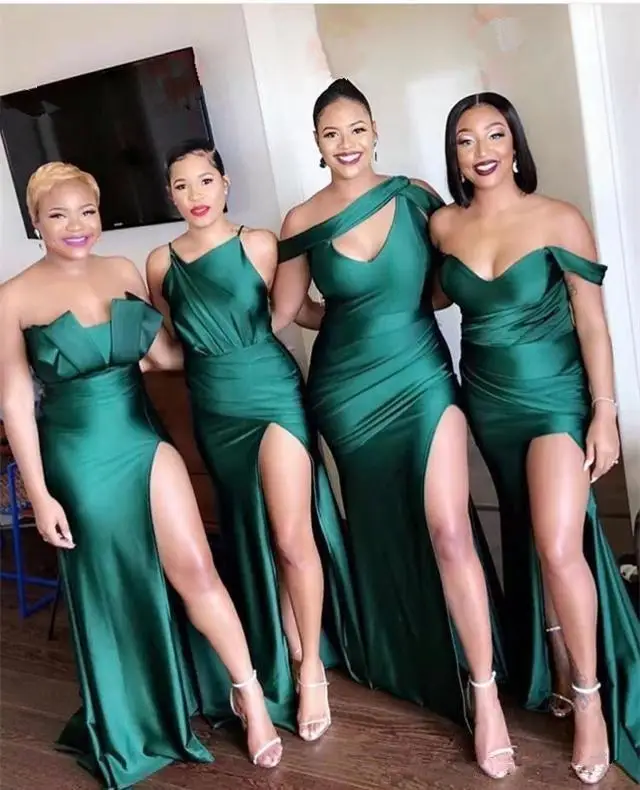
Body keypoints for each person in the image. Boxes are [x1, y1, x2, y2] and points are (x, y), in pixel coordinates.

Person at [0, 162, 283, 788]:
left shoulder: (125, 271)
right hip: (77, 458)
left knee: (196, 569)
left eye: (87, 212)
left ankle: (250, 696)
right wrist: (39, 495)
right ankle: (140, 712)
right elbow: (16, 404)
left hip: (141, 438)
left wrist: (236, 340)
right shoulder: (12, 297)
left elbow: (161, 356)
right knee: (116, 587)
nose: (76, 225)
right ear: (36, 222)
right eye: (58, 215)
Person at [272, 78, 514, 780]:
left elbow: (446, 285)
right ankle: (401, 654)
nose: (346, 143)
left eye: (357, 128)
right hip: (345, 393)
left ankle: (484, 690)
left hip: (422, 378)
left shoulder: (417, 196)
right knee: (380, 528)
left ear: (376, 131)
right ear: (317, 145)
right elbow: (291, 309)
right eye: (331, 134)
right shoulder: (301, 218)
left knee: (448, 527)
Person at [429, 91, 640, 785]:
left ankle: (590, 699)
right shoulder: (444, 226)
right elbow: (421, 297)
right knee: (523, 531)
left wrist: (604, 411)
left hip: (555, 402)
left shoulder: (560, 219)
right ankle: (551, 662)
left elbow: (592, 322)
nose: (482, 150)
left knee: (557, 544)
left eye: (495, 135)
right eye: (466, 140)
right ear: (455, 156)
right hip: (487, 403)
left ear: (515, 144)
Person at [145, 140, 364, 743]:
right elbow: (176, 346)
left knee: (293, 536)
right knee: (260, 536)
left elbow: (298, 311)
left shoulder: (261, 244)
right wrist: (124, 355)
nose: (195, 194)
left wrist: (365, 316)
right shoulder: (160, 263)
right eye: (182, 185)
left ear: (225, 183)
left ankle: (312, 667)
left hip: (272, 394)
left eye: (205, 180)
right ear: (170, 195)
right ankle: (289, 647)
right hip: (214, 409)